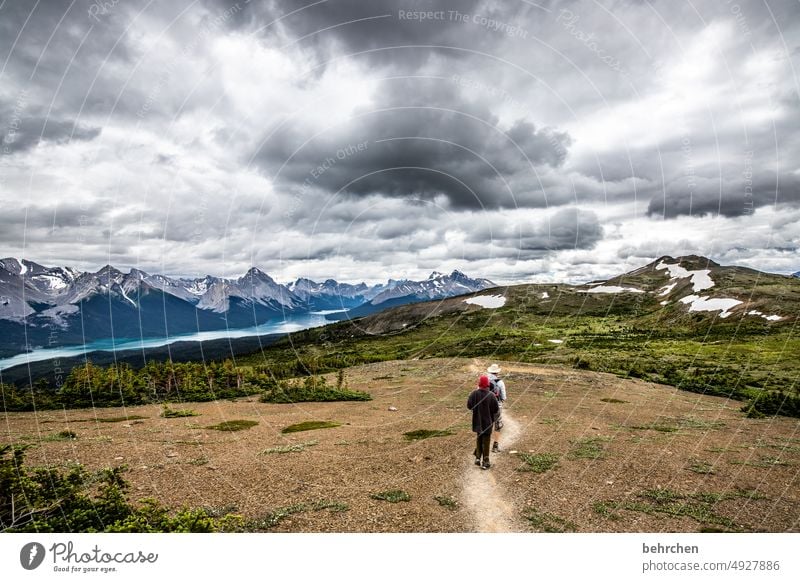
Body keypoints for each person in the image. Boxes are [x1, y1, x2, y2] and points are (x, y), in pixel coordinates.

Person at [467, 374, 499, 470]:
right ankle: (486, 461)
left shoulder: (474, 394)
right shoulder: (492, 395)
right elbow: (496, 409)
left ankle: (477, 458)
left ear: (479, 383)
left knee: (479, 438)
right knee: (486, 440)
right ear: (487, 384)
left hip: (477, 421)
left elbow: (469, 406)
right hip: (488, 422)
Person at [487, 364, 507, 452]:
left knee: (486, 426)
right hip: (497, 407)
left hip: (486, 407)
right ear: (497, 372)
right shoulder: (500, 382)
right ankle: (495, 446)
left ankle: (484, 446)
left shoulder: (484, 380)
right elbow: (503, 397)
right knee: (497, 425)